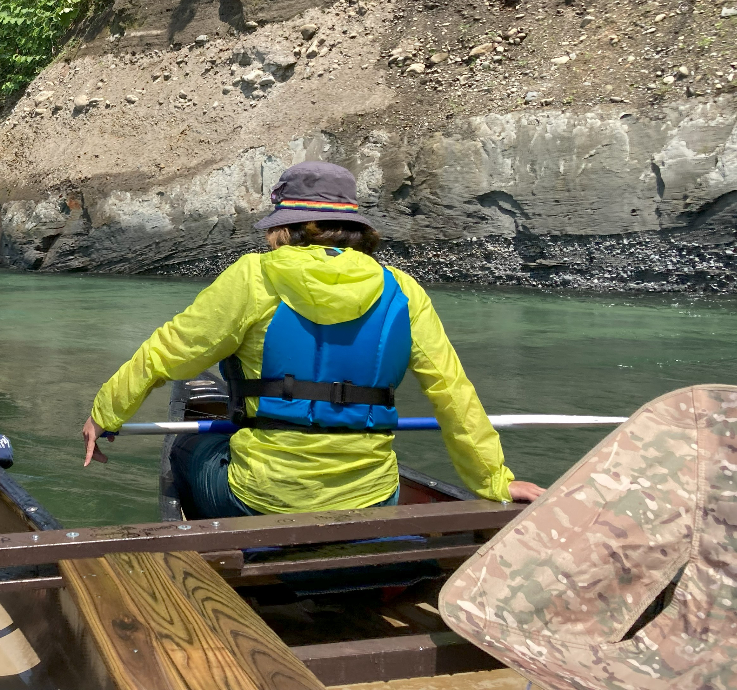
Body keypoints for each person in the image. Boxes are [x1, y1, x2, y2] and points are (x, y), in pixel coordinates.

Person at [81, 161, 544, 517]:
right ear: (355, 226)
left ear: (286, 225)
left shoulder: (254, 276)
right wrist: (494, 483)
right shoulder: (403, 288)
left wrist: (107, 412)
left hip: (260, 499)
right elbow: (452, 392)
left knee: (186, 450)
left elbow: (168, 353)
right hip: (374, 498)